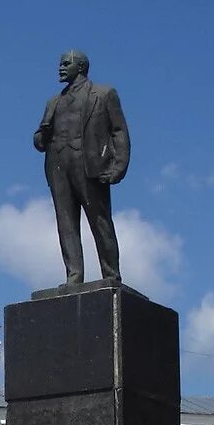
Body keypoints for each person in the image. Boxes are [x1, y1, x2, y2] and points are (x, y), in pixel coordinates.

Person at [34, 49, 130, 286]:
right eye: (60, 64)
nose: (61, 67)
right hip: (58, 166)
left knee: (100, 221)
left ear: (81, 67)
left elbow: (119, 131)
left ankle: (111, 274)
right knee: (65, 223)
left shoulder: (104, 94)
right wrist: (43, 134)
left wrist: (118, 167)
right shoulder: (53, 102)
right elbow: (38, 141)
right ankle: (74, 275)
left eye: (66, 64)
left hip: (90, 166)